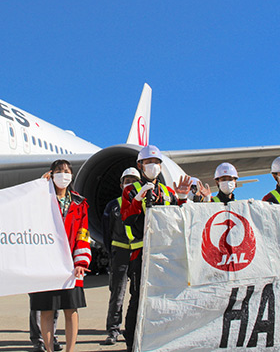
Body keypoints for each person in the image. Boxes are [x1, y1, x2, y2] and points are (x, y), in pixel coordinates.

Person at [120, 145, 192, 352]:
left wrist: (183, 199)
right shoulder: (131, 190)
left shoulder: (168, 191)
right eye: (148, 162)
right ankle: (132, 342)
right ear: (140, 166)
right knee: (138, 299)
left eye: (156, 162)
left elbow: (179, 220)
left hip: (164, 254)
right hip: (141, 253)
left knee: (166, 297)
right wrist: (137, 199)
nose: (152, 166)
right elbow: (127, 219)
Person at [30, 160, 91, 352]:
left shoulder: (79, 203)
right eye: (58, 171)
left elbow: (83, 232)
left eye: (66, 171)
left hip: (70, 265)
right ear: (51, 174)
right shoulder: (41, 199)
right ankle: (49, 349)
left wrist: (81, 261)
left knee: (71, 310)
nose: (62, 174)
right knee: (47, 310)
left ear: (71, 176)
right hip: (46, 263)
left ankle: (70, 350)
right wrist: (40, 187)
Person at [100, 167, 141, 346]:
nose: (130, 184)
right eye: (127, 181)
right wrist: (111, 253)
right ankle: (113, 330)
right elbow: (106, 231)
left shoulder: (143, 203)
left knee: (138, 293)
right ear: (121, 184)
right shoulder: (113, 205)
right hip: (121, 253)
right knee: (117, 292)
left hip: (138, 252)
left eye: (134, 181)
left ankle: (135, 327)